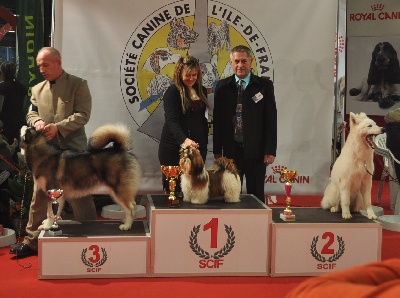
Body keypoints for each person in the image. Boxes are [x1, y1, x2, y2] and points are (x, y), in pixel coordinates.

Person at [10, 47, 97, 257]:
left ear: (58, 63)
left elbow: (83, 115)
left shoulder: (78, 84)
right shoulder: (36, 89)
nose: (41, 69)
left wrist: (58, 127)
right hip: (45, 154)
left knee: (79, 194)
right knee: (39, 195)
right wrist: (37, 121)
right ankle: (32, 242)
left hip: (72, 151)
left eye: (45, 65)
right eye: (40, 65)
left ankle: (93, 236)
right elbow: (30, 115)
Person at [213, 45, 277, 202]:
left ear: (251, 61)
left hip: (257, 150)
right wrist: (217, 150)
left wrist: (270, 149)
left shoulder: (264, 86)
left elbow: (271, 119)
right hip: (230, 150)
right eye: (236, 61)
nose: (240, 65)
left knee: (256, 194)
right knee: (230, 194)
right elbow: (218, 121)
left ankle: (257, 225)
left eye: (244, 61)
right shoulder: (222, 87)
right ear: (231, 62)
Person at [158, 55, 211, 192]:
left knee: (195, 189)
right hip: (173, 149)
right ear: (179, 73)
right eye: (188, 75)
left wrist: (202, 145)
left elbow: (202, 119)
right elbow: (171, 121)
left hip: (197, 150)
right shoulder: (172, 92)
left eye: (194, 75)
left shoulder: (202, 90)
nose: (191, 78)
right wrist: (184, 140)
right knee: (173, 192)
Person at [0, 61, 28, 157]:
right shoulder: (23, 87)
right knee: (17, 150)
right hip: (19, 121)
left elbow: (0, 107)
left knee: (6, 150)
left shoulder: (2, 87)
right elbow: (23, 106)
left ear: (3, 72)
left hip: (5, 124)